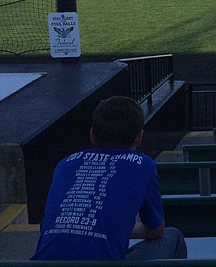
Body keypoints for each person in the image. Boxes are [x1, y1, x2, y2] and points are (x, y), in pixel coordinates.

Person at [33, 96, 186, 260]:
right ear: (139, 137)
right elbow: (156, 230)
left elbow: (47, 227)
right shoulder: (143, 165)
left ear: (92, 134)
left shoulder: (65, 164)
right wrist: (117, 228)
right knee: (174, 237)